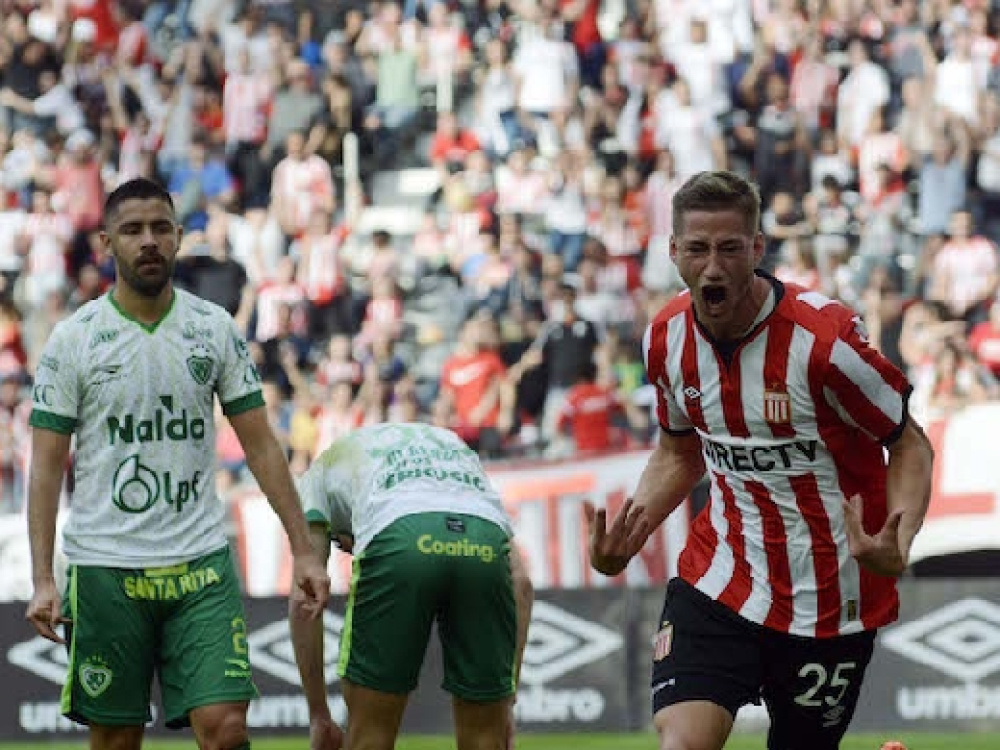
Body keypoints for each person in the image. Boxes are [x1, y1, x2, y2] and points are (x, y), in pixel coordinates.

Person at [585, 170, 934, 750]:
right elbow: (679, 451)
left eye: (729, 248)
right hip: (721, 578)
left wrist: (900, 535)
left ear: (757, 249)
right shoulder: (665, 339)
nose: (713, 267)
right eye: (697, 249)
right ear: (673, 252)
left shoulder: (824, 344)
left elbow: (909, 442)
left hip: (832, 598)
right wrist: (633, 529)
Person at [25, 178, 331, 750]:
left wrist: (305, 549)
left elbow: (262, 446)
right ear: (106, 242)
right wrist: (43, 577)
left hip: (201, 565)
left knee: (226, 728)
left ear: (179, 237)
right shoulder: (73, 340)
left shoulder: (213, 327)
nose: (148, 240)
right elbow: (45, 467)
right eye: (132, 230)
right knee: (116, 740)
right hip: (106, 568)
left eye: (160, 228)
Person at [289, 422, 534, 750]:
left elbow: (303, 598)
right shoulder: (453, 447)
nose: (347, 549)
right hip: (481, 540)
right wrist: (505, 702)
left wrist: (318, 713)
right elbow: (521, 583)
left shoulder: (320, 471)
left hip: (398, 537)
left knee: (370, 736)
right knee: (485, 739)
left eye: (340, 544)